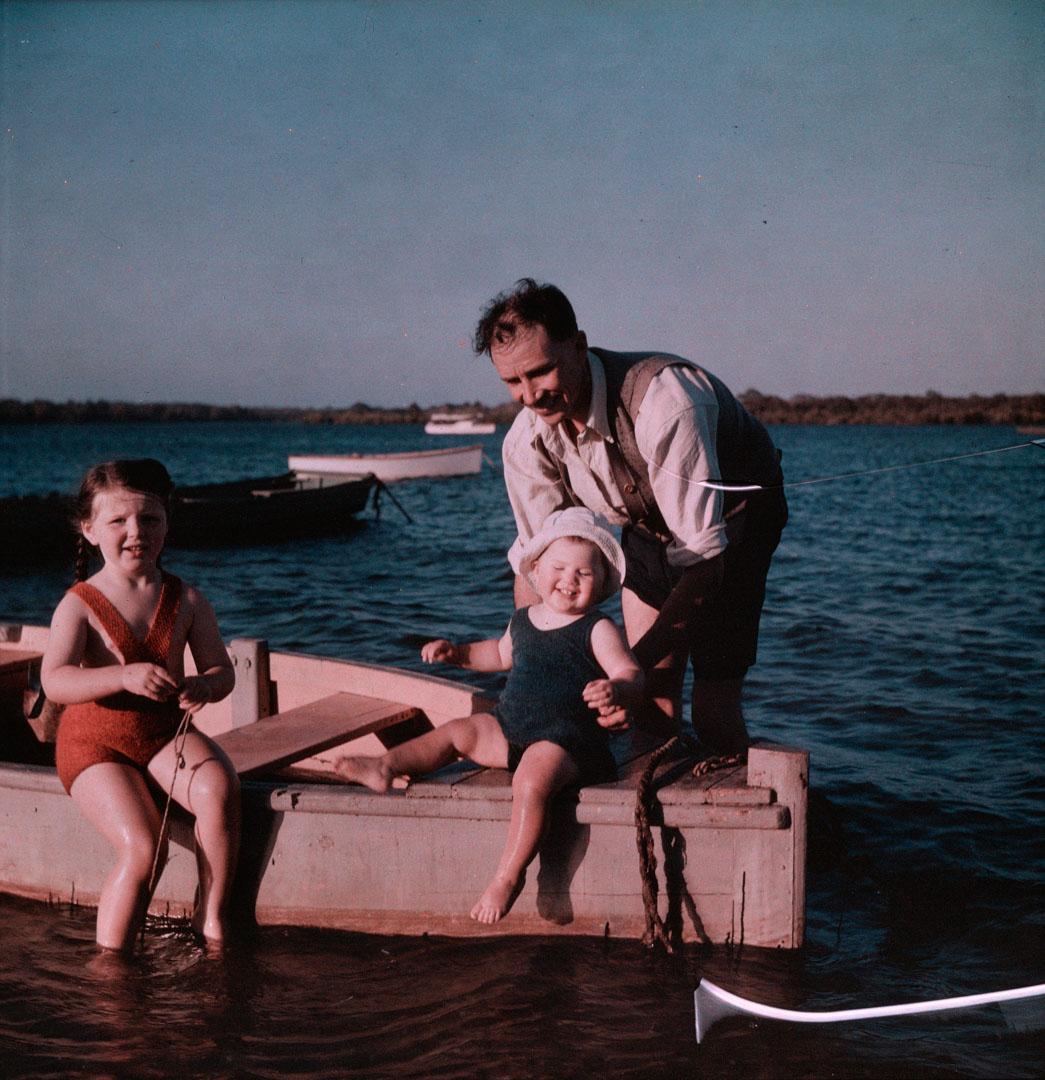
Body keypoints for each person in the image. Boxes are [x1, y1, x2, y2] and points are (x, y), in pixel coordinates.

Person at [474, 278, 788, 754]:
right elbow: (535, 566)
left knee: (713, 702)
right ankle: (648, 808)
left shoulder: (665, 403)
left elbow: (705, 562)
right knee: (652, 701)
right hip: (644, 523)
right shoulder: (525, 442)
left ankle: (737, 797)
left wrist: (625, 671)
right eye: (512, 382)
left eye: (540, 372)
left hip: (736, 522)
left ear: (579, 347)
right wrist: (541, 668)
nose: (531, 395)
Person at [335, 507, 643, 924]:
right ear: (536, 571)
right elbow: (498, 654)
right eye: (559, 568)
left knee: (530, 781)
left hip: (566, 741)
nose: (569, 580)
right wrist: (457, 654)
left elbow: (629, 672)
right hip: (511, 726)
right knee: (458, 732)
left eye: (583, 574)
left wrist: (617, 687)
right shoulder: (523, 619)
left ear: (602, 582)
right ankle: (385, 767)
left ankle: (507, 876)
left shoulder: (598, 628)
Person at [41, 459, 239, 953]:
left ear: (166, 523)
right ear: (89, 531)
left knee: (219, 785)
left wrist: (206, 688)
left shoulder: (188, 599)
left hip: (160, 735)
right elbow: (55, 681)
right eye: (119, 522)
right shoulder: (80, 602)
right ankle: (112, 966)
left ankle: (209, 915)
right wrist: (121, 675)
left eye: (149, 520)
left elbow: (223, 671)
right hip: (93, 743)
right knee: (143, 848)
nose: (136, 533)